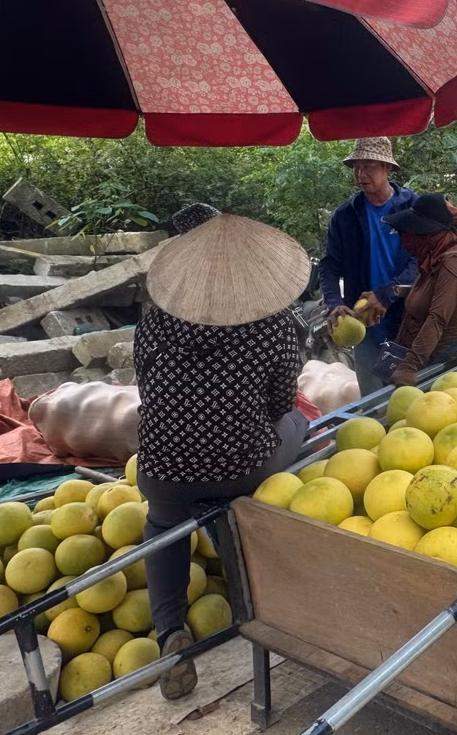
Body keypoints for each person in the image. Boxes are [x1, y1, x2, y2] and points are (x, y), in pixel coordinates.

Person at [134, 214, 311, 699]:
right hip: (239, 467)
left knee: (162, 524)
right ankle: (255, 597)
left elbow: (145, 385)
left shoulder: (155, 321)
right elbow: (280, 403)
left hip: (163, 466)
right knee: (299, 423)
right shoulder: (273, 326)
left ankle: (170, 631)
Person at [319, 137, 418, 395]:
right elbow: (329, 266)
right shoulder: (346, 216)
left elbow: (420, 261)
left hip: (407, 320)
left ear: (387, 167)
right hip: (363, 326)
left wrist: (386, 294)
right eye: (356, 166)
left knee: (410, 397)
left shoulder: (411, 207)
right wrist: (334, 302)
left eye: (369, 166)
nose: (361, 174)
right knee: (374, 403)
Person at [381, 194, 457, 386]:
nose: (403, 241)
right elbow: (429, 295)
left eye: (406, 235)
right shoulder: (433, 258)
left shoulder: (456, 263)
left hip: (433, 362)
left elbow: (438, 319)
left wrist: (410, 366)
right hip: (410, 348)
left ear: (427, 235)